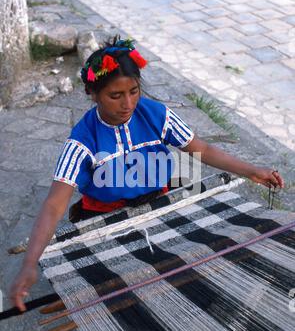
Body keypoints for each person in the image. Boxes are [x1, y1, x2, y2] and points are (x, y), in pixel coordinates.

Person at [10, 36, 284, 312]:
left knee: (190, 268)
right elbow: (55, 203)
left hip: (157, 205)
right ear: (92, 94)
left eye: (134, 91)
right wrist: (31, 263)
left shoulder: (155, 114)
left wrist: (252, 171)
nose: (127, 104)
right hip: (105, 218)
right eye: (115, 96)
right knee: (120, 293)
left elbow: (200, 148)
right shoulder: (82, 140)